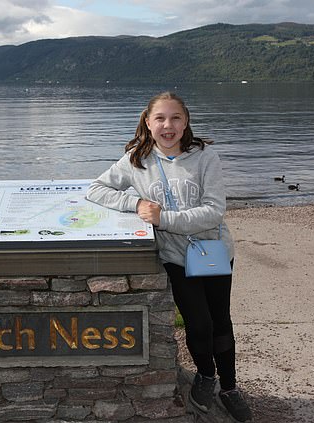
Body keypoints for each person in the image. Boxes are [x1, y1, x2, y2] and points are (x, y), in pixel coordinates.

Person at [86, 92, 252, 422]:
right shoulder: (136, 159)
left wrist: (164, 219)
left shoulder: (205, 157)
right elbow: (96, 189)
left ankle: (230, 387)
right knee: (198, 323)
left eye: (175, 118)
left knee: (221, 321)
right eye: (160, 118)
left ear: (186, 121)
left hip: (212, 250)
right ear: (148, 123)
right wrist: (133, 204)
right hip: (176, 257)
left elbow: (215, 212)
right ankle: (206, 376)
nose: (168, 125)